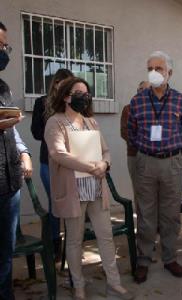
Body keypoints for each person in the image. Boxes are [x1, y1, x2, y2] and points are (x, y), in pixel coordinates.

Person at [44, 77, 134, 300]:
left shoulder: (91, 122)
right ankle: (79, 285)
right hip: (73, 191)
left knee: (106, 237)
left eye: (87, 93)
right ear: (66, 97)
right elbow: (58, 154)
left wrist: (104, 164)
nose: (84, 97)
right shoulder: (55, 122)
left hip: (95, 189)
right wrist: (90, 167)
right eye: (78, 92)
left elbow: (106, 151)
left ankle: (114, 283)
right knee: (74, 240)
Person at [128, 51, 182, 283]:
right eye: (150, 68)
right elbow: (132, 133)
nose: (154, 73)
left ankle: (169, 257)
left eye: (159, 68)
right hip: (145, 161)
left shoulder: (181, 100)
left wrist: (173, 155)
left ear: (169, 72)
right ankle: (143, 260)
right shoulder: (137, 100)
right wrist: (148, 152)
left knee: (171, 214)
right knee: (145, 214)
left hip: (172, 162)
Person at [0, 21, 33, 300]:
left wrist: (23, 152)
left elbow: (12, 129)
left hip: (10, 184)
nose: (3, 51)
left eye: (5, 46)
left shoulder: (3, 87)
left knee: (5, 255)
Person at [31, 68, 73, 260]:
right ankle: (55, 244)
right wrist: (54, 134)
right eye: (61, 83)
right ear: (55, 83)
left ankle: (73, 244)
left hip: (71, 162)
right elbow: (36, 131)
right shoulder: (42, 103)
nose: (63, 87)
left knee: (73, 202)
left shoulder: (72, 105)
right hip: (48, 161)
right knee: (55, 202)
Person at [120, 81, 150, 199]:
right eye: (141, 89)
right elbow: (125, 132)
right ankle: (141, 217)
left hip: (154, 157)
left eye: (147, 90)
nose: (143, 92)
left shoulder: (156, 109)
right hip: (135, 155)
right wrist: (144, 144)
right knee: (139, 191)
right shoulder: (128, 109)